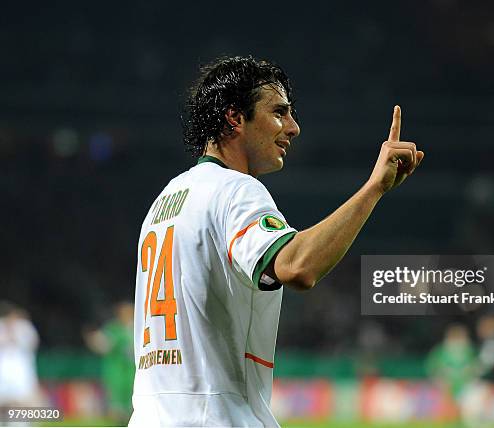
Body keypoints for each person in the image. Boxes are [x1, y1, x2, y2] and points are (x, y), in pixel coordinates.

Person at [129, 55, 424, 427]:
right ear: (235, 118)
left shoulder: (165, 201)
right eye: (279, 112)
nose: (293, 127)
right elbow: (297, 267)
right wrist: (373, 188)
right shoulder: (236, 190)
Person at [83, 301, 135, 424]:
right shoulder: (114, 329)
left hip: (133, 374)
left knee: (133, 408)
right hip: (116, 374)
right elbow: (103, 345)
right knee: (117, 410)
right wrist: (93, 340)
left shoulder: (139, 327)